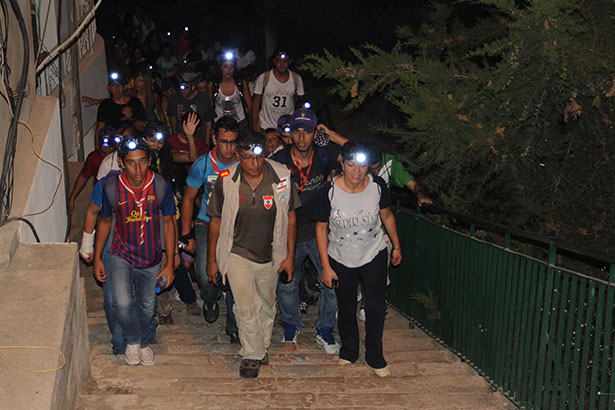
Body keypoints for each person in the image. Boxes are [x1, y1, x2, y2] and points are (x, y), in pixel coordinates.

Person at [207, 131, 300, 377]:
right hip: (236, 251)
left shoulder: (281, 176)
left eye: (259, 158)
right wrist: (212, 261)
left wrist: (289, 256)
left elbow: (291, 217)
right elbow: (214, 220)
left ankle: (262, 344)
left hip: (271, 252)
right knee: (246, 305)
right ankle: (252, 354)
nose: (255, 164)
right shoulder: (226, 180)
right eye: (248, 158)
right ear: (239, 156)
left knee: (267, 304)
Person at [313, 141, 402, 378]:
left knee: (375, 307)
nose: (355, 171)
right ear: (342, 163)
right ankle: (349, 350)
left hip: (373, 252)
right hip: (341, 257)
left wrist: (396, 245)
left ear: (369, 167)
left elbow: (386, 215)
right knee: (347, 306)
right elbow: (321, 229)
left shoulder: (377, 186)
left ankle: (375, 356)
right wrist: (325, 265)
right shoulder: (329, 191)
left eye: (361, 166)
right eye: (350, 164)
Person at [93, 137, 177, 366]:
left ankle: (138, 341)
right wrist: (98, 257)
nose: (137, 169)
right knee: (121, 303)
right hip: (121, 254)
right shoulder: (110, 188)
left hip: (151, 258)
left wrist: (170, 262)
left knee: (148, 306)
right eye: (131, 162)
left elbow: (169, 223)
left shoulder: (160, 186)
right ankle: (136, 341)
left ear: (149, 161)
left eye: (142, 161)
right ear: (121, 162)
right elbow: (104, 222)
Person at [272, 107, 342, 353]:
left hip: (317, 231)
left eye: (308, 132)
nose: (302, 137)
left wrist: (331, 134)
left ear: (315, 133)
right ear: (290, 133)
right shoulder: (279, 159)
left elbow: (357, 153)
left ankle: (325, 329)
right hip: (287, 232)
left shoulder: (324, 154)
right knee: (287, 282)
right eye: (297, 131)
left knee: (331, 281)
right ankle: (291, 324)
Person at [180, 116, 240, 343]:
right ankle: (211, 297)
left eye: (233, 142)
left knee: (236, 275)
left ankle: (234, 324)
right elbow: (188, 200)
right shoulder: (203, 164)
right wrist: (186, 236)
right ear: (215, 139)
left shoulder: (243, 162)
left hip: (235, 224)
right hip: (206, 221)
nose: (229, 147)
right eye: (224, 141)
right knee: (206, 274)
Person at [251, 49, 304, 132]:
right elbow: (256, 103)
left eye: (285, 61)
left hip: (287, 125)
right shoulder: (264, 78)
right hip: (266, 125)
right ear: (274, 61)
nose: (282, 64)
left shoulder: (296, 78)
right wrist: (254, 125)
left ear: (289, 62)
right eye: (279, 61)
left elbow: (301, 102)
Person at [67, 126, 117, 215]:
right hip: (101, 194)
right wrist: (72, 198)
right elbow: (83, 177)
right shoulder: (93, 158)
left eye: (111, 146)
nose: (107, 149)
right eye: (105, 146)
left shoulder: (120, 156)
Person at [95, 71, 146, 148]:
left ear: (125, 87)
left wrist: (131, 117)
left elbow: (143, 127)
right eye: (113, 85)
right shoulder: (105, 106)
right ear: (109, 88)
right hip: (112, 144)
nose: (117, 88)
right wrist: (97, 150)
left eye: (120, 85)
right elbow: (99, 129)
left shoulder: (135, 103)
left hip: (133, 143)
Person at [209, 51, 252, 133]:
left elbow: (250, 106)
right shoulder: (213, 84)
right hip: (219, 124)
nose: (228, 70)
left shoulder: (241, 83)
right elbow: (209, 107)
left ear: (235, 67)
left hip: (240, 124)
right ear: (221, 67)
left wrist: (252, 126)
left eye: (231, 66)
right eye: (226, 66)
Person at [168, 71, 214, 145]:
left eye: (186, 88)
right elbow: (173, 122)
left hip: (199, 141)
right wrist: (175, 141)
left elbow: (208, 123)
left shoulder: (204, 99)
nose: (182, 91)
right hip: (181, 141)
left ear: (193, 87)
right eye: (180, 88)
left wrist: (207, 143)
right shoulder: (173, 98)